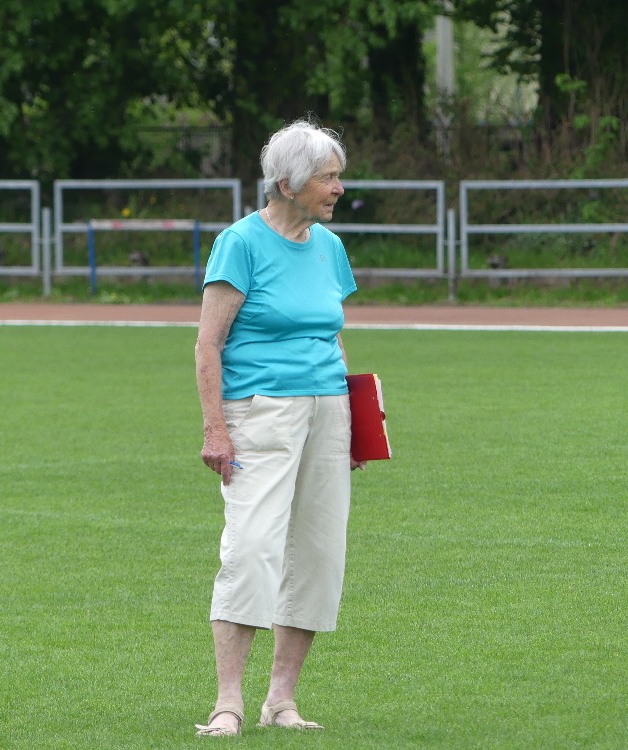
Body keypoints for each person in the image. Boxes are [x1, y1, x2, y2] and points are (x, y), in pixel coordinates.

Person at [193, 119, 364, 737]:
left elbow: (331, 337)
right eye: (327, 177)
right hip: (260, 411)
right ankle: (228, 703)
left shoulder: (330, 247)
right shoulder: (239, 243)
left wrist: (356, 421)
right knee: (252, 550)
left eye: (338, 176)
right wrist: (216, 429)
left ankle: (281, 700)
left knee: (318, 554)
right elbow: (208, 345)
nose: (338, 188)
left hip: (328, 411)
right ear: (287, 184)